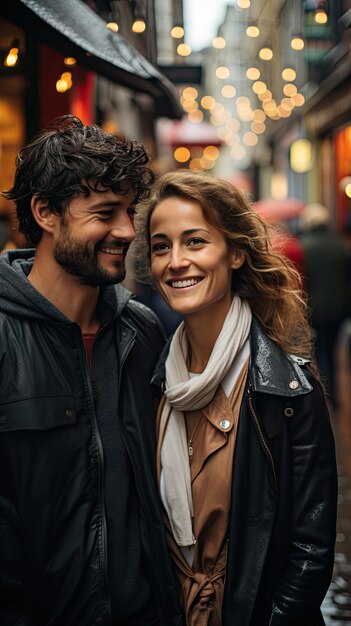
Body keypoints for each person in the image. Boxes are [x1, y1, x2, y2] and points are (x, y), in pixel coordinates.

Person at [0, 116, 182, 626]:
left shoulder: (140, 331)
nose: (127, 231)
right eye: (106, 213)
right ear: (45, 212)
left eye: (129, 212)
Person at [135, 170, 338, 626]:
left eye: (195, 241)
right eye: (162, 246)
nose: (175, 261)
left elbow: (311, 547)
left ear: (236, 254)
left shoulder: (287, 388)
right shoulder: (148, 380)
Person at [299, 202, 350, 406]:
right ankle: (333, 392)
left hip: (316, 308)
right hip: (338, 308)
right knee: (332, 349)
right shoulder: (339, 244)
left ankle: (323, 391)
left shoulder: (305, 245)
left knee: (319, 351)